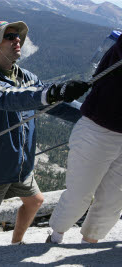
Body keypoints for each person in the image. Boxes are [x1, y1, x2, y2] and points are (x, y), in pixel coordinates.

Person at [0, 21, 90, 247]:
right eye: (10, 37)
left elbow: (55, 105)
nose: (17, 40)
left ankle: (16, 244)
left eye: (18, 36)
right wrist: (51, 92)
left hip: (20, 164)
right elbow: (7, 97)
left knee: (35, 201)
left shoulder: (26, 77)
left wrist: (93, 115)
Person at [47, 33, 122, 244]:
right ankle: (55, 238)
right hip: (98, 129)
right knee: (80, 193)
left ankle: (89, 245)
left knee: (113, 200)